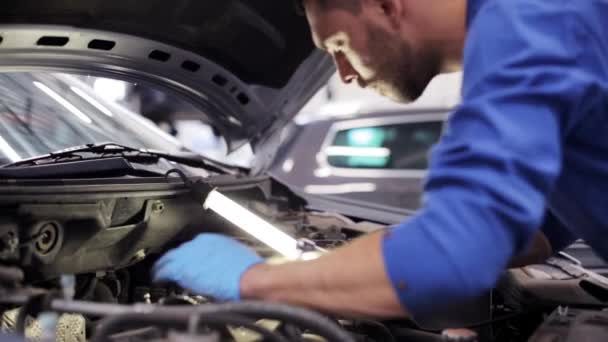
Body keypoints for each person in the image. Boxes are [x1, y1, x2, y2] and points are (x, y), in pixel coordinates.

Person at [154, 0, 608, 319]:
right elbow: (542, 227)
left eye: (337, 45)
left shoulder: (528, 26)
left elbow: (453, 257)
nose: (346, 74)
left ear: (386, 5)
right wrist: (369, 247)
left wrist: (253, 280)